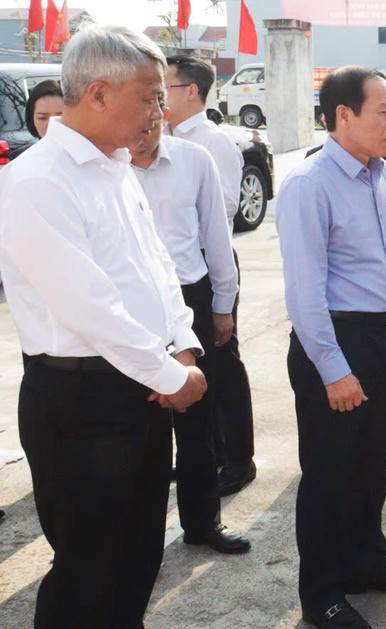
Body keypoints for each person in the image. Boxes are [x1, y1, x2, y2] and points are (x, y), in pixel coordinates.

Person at [0, 25, 208, 627]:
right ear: (97, 93)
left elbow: (156, 268)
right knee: (88, 571)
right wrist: (168, 372)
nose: (159, 110)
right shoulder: (39, 180)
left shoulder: (117, 168)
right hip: (81, 402)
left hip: (141, 387)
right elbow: (86, 305)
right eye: (149, 96)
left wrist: (184, 347)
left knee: (138, 558)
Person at [276, 66, 386, 628]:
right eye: (385, 111)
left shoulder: (383, 174)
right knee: (328, 472)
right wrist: (333, 370)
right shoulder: (308, 184)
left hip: (385, 338)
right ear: (343, 115)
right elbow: (304, 291)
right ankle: (322, 592)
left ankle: (368, 563)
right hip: (337, 341)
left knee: (372, 463)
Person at [129, 116, 251, 556]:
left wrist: (223, 305)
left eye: (148, 126)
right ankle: (138, 536)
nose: (139, 140)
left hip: (190, 298)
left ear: (160, 115)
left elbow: (217, 236)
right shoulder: (108, 165)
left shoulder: (194, 160)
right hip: (129, 306)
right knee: (139, 424)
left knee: (197, 419)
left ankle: (203, 522)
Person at [167, 56, 257, 496]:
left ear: (191, 91)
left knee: (222, 364)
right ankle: (207, 453)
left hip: (209, 264)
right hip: (175, 273)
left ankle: (239, 458)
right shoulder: (161, 139)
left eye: (164, 87)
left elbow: (220, 211)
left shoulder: (211, 142)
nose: (157, 97)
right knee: (186, 362)